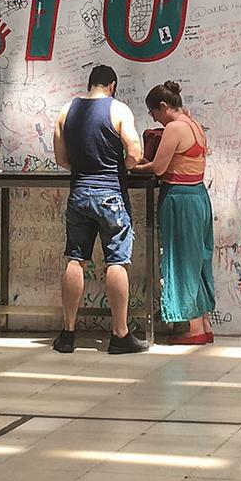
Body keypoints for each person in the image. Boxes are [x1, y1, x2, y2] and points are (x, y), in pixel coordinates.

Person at [52, 65, 148, 354]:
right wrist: (124, 167)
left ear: (90, 84)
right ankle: (119, 334)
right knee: (116, 260)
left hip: (79, 192)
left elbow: (60, 157)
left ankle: (68, 334)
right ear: (112, 85)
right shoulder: (118, 110)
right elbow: (134, 152)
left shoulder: (66, 110)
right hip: (111, 194)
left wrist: (83, 170)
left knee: (75, 258)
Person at [133, 81, 216, 345]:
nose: (154, 118)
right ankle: (203, 323)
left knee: (181, 260)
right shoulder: (194, 125)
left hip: (180, 199)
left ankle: (193, 329)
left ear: (164, 107)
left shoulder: (175, 127)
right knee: (199, 259)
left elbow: (158, 168)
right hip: (199, 196)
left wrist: (135, 166)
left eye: (153, 112)